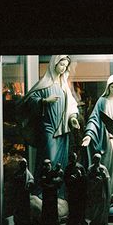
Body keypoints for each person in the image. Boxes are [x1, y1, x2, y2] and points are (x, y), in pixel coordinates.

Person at [21, 54, 80, 188]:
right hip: (48, 127)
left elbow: (71, 104)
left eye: (65, 66)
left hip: (63, 129)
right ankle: (41, 190)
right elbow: (30, 100)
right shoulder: (45, 83)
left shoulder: (64, 85)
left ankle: (59, 193)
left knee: (61, 162)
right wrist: (44, 101)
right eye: (61, 65)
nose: (63, 68)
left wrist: (73, 118)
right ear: (54, 64)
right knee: (49, 158)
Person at [85, 152, 110, 225]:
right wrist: (94, 181)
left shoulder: (103, 168)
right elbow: (87, 179)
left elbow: (107, 179)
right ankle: (94, 222)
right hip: (94, 191)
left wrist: (103, 177)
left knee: (101, 206)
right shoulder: (90, 168)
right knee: (94, 206)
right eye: (95, 159)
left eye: (98, 159)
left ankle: (101, 222)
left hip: (101, 191)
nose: (97, 160)